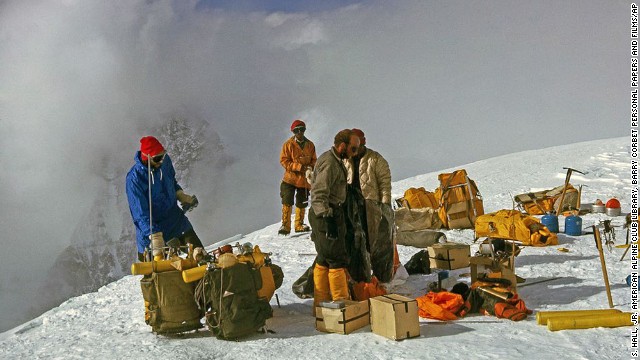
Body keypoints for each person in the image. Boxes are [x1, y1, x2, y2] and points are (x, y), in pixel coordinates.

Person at [126, 136, 203, 262]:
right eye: (157, 158)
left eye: (163, 156)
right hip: (151, 233)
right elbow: (140, 213)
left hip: (176, 222)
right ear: (147, 158)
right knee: (158, 275)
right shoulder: (134, 179)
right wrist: (154, 235)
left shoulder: (164, 162)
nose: (162, 160)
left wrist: (180, 195)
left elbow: (171, 181)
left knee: (199, 255)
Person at [308, 129, 360, 310]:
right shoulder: (330, 163)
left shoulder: (335, 161)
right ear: (342, 146)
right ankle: (341, 302)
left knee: (324, 257)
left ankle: (320, 304)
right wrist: (326, 218)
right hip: (326, 214)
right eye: (353, 149)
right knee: (336, 258)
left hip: (331, 212)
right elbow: (319, 193)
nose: (354, 153)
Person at [344, 129, 395, 283]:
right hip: (351, 206)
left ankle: (381, 276)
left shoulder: (375, 159)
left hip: (371, 206)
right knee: (355, 241)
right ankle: (360, 276)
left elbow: (384, 183)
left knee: (376, 241)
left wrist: (385, 205)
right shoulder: (345, 160)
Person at [279, 119, 317, 235]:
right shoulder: (288, 145)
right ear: (293, 132)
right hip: (290, 178)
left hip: (304, 180)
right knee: (287, 201)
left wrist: (310, 168)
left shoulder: (310, 145)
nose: (299, 132)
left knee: (302, 202)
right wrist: (299, 167)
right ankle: (285, 226)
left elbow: (314, 160)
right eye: (297, 130)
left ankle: (299, 224)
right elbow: (284, 161)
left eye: (302, 130)